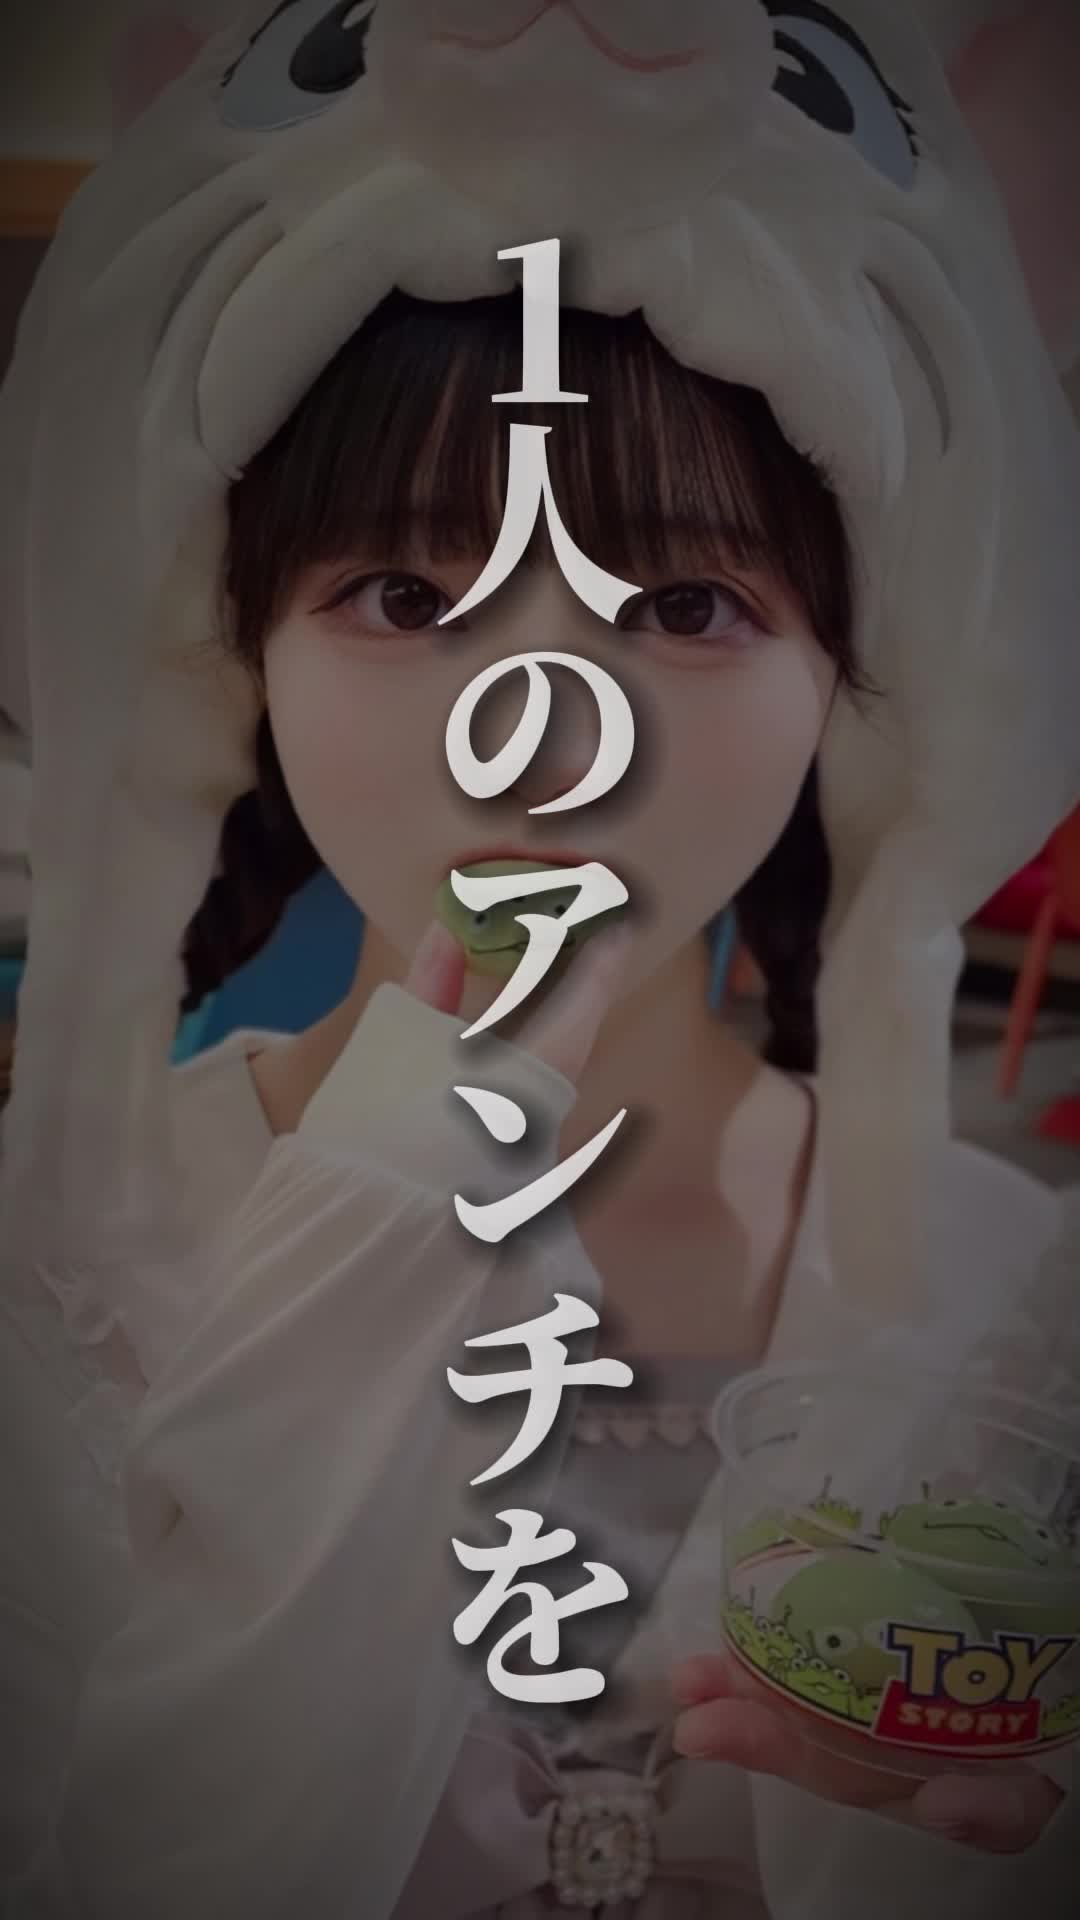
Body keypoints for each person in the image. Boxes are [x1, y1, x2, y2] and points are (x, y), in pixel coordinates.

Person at [1, 2, 1079, 1916]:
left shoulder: (1018, 1300)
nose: (542, 736)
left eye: (683, 603)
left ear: (861, 681)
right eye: (407, 593)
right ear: (237, 652)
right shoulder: (48, 1268)